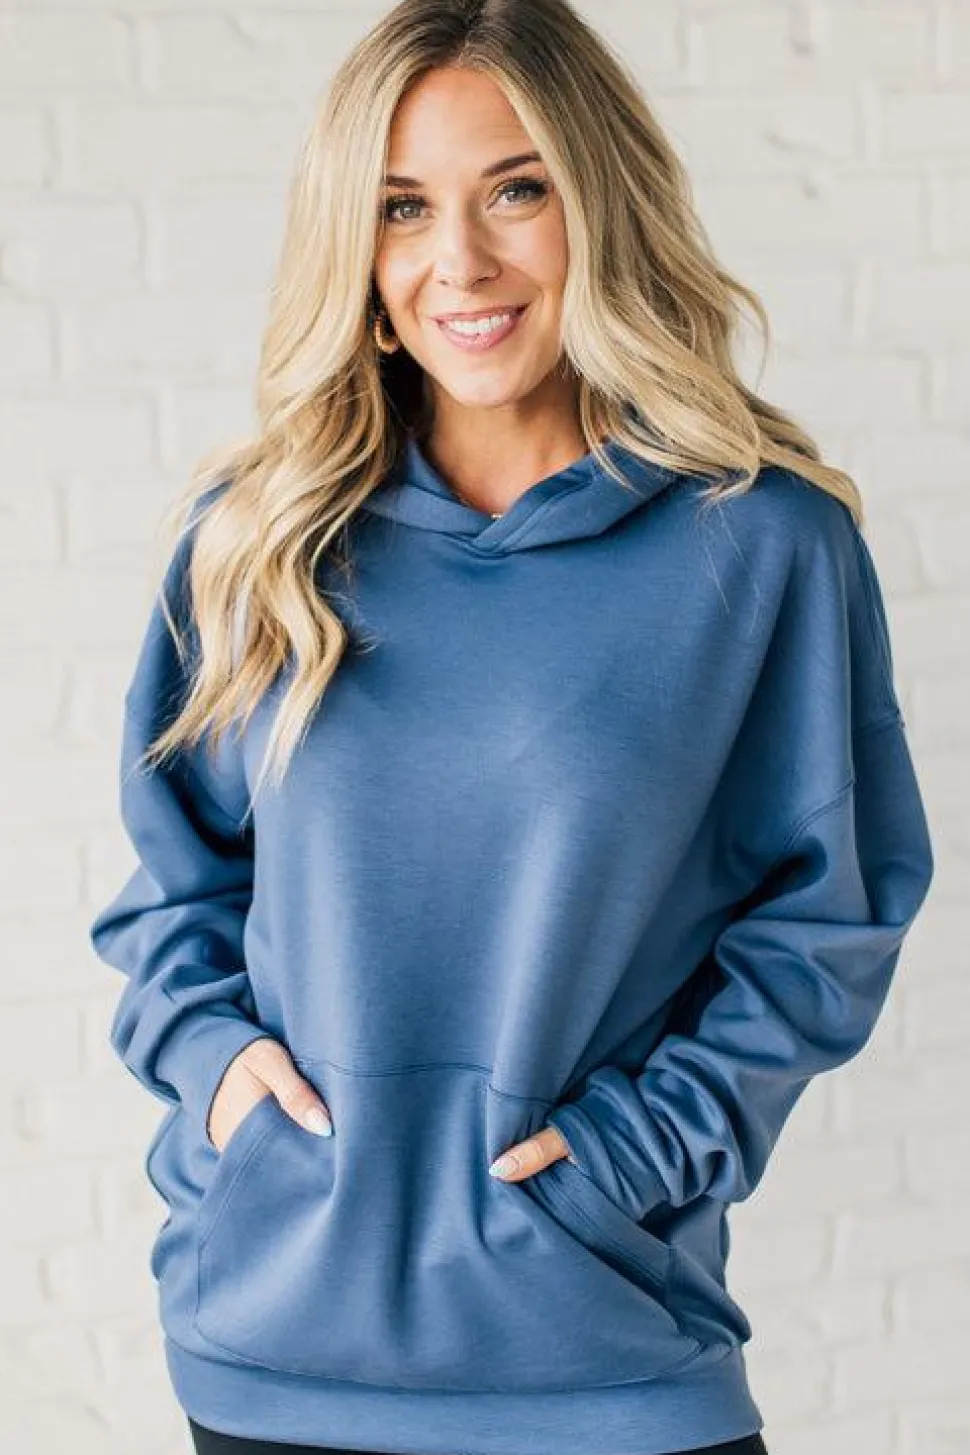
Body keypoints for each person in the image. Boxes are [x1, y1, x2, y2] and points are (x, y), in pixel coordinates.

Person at [87, 1, 935, 1453]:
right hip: (270, 1346)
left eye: (516, 189)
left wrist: (632, 1156)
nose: (460, 262)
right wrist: (219, 1076)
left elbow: (827, 920)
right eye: (402, 207)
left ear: (599, 204)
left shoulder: (762, 547)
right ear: (357, 252)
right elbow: (175, 893)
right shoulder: (258, 541)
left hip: (601, 1345)